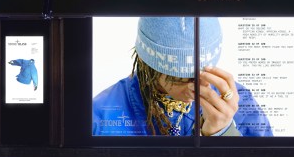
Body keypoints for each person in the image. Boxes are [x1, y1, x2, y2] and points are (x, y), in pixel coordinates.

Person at [92, 17, 272, 137]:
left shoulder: (240, 103)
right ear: (149, 65)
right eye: (179, 77)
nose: (195, 88)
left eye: (202, 73)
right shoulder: (101, 115)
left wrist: (223, 133)